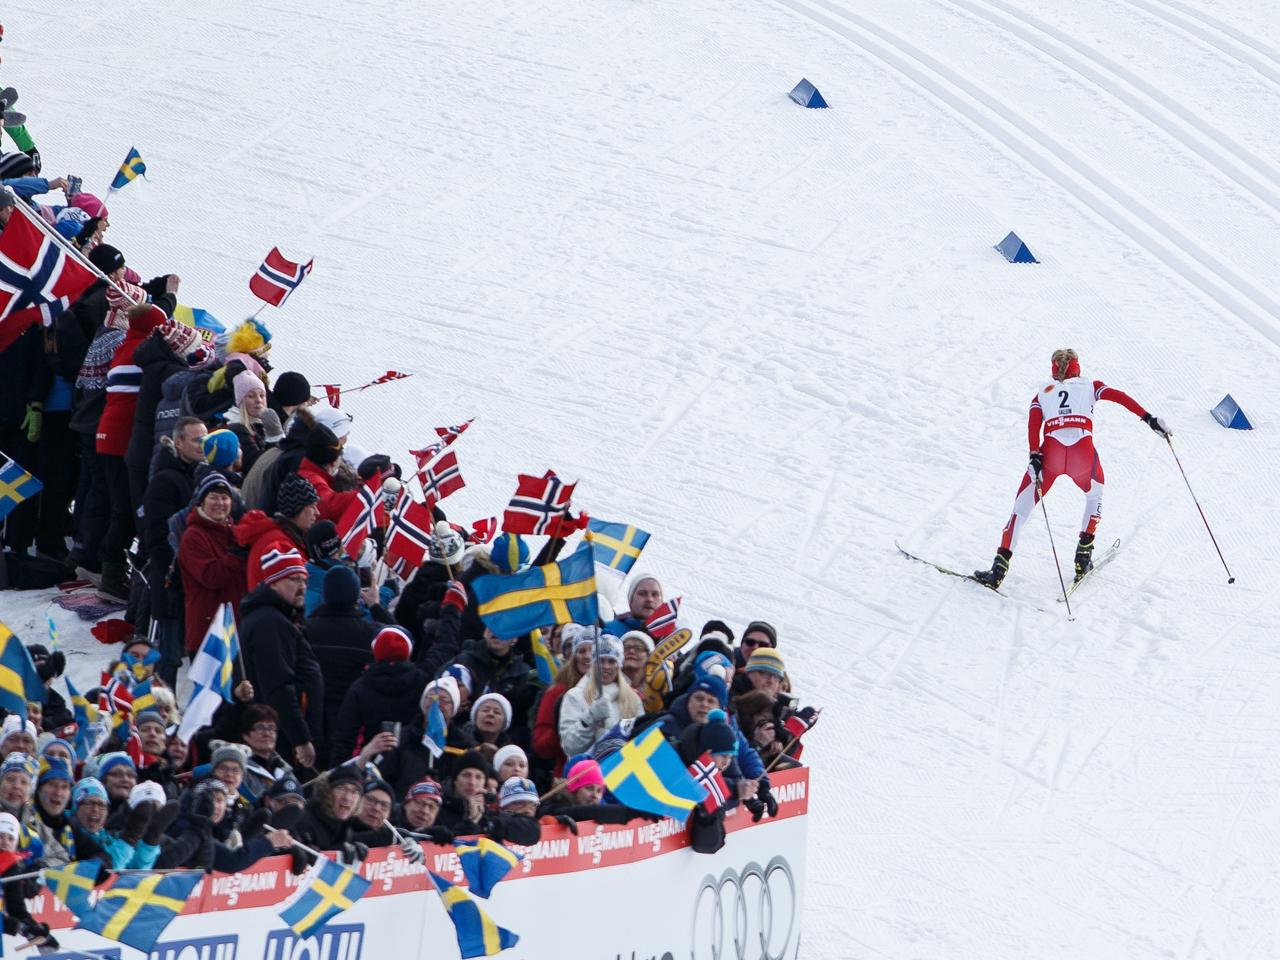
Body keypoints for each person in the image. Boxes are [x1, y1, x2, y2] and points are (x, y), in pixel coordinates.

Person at [975, 348, 1169, 589]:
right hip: (1082, 455)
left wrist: (1034, 455)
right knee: (1094, 494)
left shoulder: (1042, 392)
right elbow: (1120, 397)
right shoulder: (1091, 386)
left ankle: (998, 570)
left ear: (1054, 369)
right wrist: (1149, 419)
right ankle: (1082, 557)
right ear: (1077, 367)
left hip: (1051, 456)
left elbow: (1033, 423)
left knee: (1020, 510)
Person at [241, 546, 323, 775]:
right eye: (294, 580)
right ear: (274, 583)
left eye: (304, 580)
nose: (302, 587)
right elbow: (278, 685)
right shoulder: (271, 623)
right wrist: (301, 738)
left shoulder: (282, 618)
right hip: (283, 738)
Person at [141, 416, 208, 685]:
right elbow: (157, 536)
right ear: (178, 442)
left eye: (205, 439)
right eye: (196, 440)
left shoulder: (198, 474)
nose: (202, 445)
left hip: (193, 581)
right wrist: (174, 571)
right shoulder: (165, 480)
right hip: (171, 581)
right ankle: (160, 712)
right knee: (168, 655)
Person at [330, 626, 427, 764]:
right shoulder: (423, 681)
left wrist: (339, 773)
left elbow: (346, 736)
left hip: (371, 763)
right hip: (415, 762)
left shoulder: (360, 687)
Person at [178, 472, 247, 660]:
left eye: (225, 498)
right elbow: (211, 577)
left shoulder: (235, 532)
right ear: (201, 502)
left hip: (233, 629)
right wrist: (237, 555)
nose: (220, 503)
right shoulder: (193, 536)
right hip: (207, 632)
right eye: (213, 497)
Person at [558, 635, 644, 757]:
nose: (606, 666)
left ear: (619, 665)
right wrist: (590, 718)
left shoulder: (632, 699)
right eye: (600, 660)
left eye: (612, 661)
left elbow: (641, 739)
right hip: (588, 771)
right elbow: (569, 746)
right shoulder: (574, 696)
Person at [235, 472, 320, 590]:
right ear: (296, 509)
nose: (317, 512)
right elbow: (304, 587)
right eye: (312, 506)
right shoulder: (280, 545)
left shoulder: (285, 536)